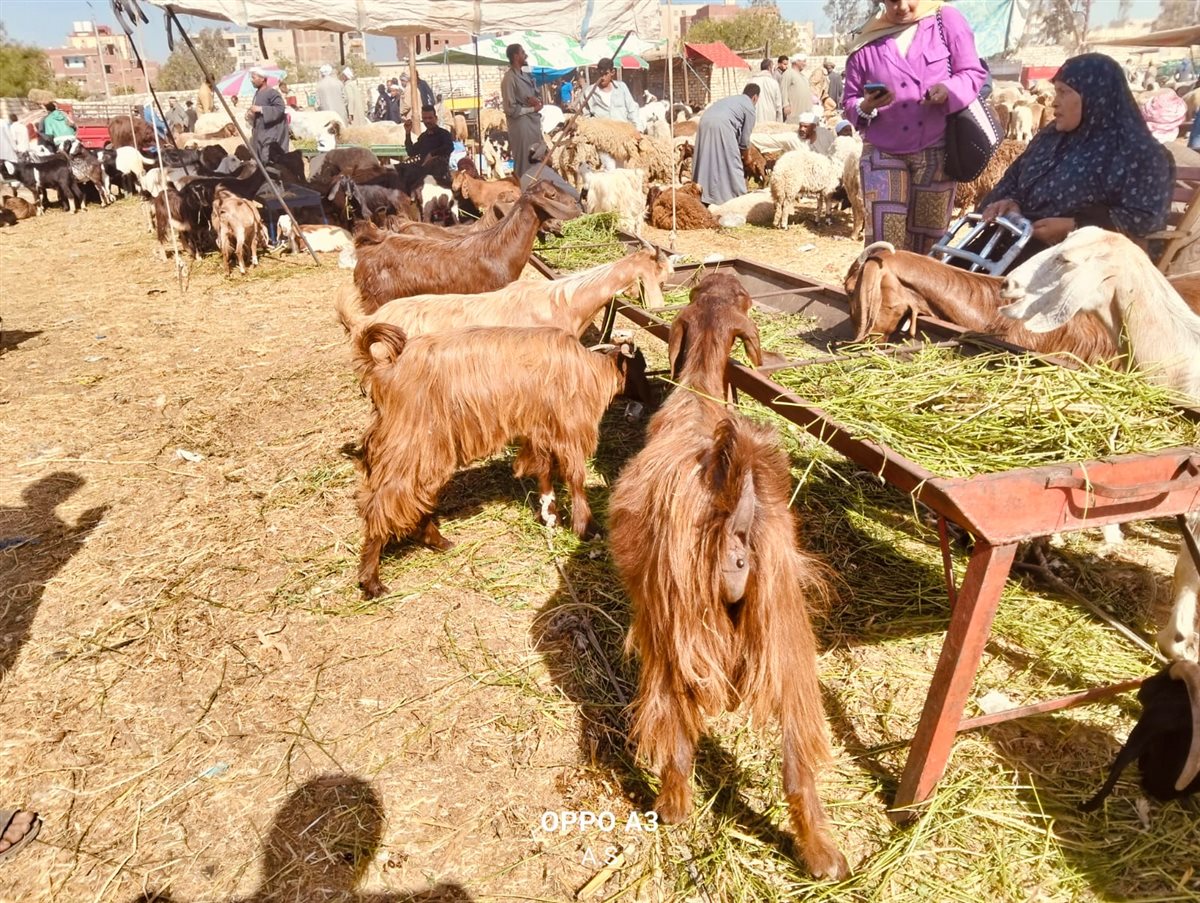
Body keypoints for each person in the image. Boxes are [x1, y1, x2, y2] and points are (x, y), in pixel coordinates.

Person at [980, 53, 1174, 268]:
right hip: (1015, 240)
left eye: (1063, 92)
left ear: (1094, 96)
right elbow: (1013, 179)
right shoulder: (1050, 137)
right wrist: (1010, 202)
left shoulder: (1140, 154)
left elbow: (1145, 219)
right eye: (1056, 92)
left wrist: (1074, 226)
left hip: (1079, 262)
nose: (1054, 102)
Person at [843, 0, 986, 254]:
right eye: (891, 1)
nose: (901, 7)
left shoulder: (946, 21)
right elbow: (850, 101)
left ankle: (919, 294)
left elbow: (972, 72)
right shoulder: (866, 38)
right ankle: (883, 293)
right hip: (883, 151)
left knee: (929, 245)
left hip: (936, 149)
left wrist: (949, 89)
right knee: (885, 245)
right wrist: (866, 105)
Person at [693, 83, 759, 205]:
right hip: (722, 124)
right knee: (732, 162)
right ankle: (738, 198)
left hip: (704, 120)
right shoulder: (750, 107)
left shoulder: (733, 100)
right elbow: (744, 141)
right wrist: (747, 158)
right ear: (755, 97)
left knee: (707, 159)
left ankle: (703, 194)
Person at [501, 43, 544, 178]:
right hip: (521, 125)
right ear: (516, 56)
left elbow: (535, 95)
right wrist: (531, 108)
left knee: (536, 157)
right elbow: (510, 108)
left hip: (533, 123)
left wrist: (536, 103)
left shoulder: (526, 75)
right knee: (524, 159)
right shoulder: (509, 78)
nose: (525, 55)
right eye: (522, 52)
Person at [248, 66, 289, 164]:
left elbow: (280, 109)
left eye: (253, 78)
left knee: (269, 160)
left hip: (270, 134)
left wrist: (261, 109)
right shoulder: (258, 93)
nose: (251, 80)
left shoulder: (272, 92)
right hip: (260, 133)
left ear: (262, 79)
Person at [586, 58, 639, 126]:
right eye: (600, 74)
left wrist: (638, 129)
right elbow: (586, 118)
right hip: (601, 134)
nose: (603, 77)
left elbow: (632, 110)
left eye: (606, 74)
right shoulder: (589, 92)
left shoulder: (621, 88)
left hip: (623, 132)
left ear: (612, 72)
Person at [748, 59, 784, 123]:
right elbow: (778, 106)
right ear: (769, 68)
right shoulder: (774, 83)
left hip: (754, 120)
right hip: (770, 121)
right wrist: (779, 123)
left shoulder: (751, 81)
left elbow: (746, 101)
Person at [780, 53, 812, 124]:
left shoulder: (803, 76)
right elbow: (783, 90)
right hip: (794, 112)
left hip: (805, 112)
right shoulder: (788, 73)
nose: (805, 64)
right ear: (797, 61)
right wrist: (785, 105)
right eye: (803, 61)